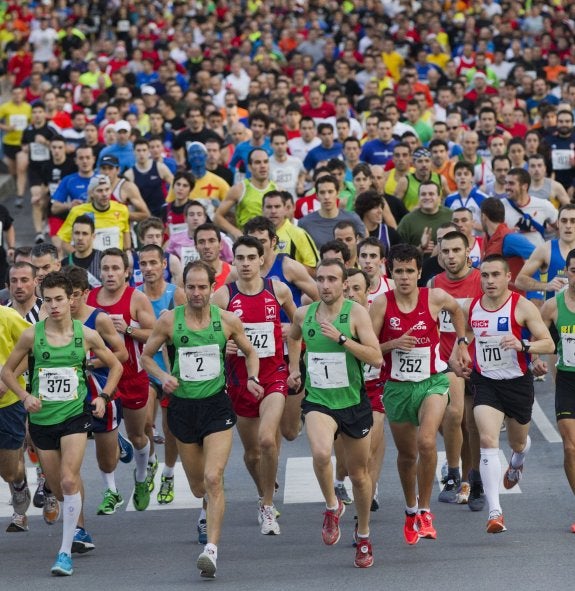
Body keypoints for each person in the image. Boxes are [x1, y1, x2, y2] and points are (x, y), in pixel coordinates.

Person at [141, 260, 262, 578]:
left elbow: (251, 352)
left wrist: (251, 377)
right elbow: (145, 356)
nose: (196, 293)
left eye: (202, 287)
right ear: (184, 287)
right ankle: (206, 506)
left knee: (213, 478)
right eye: (190, 287)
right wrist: (163, 375)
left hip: (216, 407)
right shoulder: (169, 321)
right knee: (198, 487)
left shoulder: (227, 321)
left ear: (212, 287)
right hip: (182, 408)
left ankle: (211, 549)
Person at [1, 271, 122, 577]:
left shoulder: (86, 335)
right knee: (57, 485)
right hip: (42, 421)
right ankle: (75, 527)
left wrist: (104, 397)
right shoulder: (33, 335)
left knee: (69, 480)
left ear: (71, 300)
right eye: (49, 299)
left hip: (75, 417)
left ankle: (65, 551)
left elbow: (116, 364)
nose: (54, 305)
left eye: (59, 299)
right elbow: (6, 371)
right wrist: (24, 396)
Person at [369, 244, 470, 545]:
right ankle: (410, 509)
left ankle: (425, 510)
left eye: (409, 271)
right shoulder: (381, 305)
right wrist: (392, 344)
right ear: (391, 273)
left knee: (427, 442)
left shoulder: (434, 297)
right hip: (397, 387)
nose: (404, 277)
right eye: (398, 271)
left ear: (419, 272)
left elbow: (457, 310)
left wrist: (462, 343)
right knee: (407, 454)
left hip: (433, 381)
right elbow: (369, 349)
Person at [287, 258, 383, 569]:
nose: (325, 285)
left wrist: (342, 339)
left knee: (359, 475)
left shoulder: (355, 314)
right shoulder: (305, 313)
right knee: (319, 452)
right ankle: (332, 505)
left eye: (332, 279)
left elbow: (377, 358)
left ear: (343, 284)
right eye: (321, 279)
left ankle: (364, 535)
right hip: (319, 400)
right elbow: (293, 334)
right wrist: (293, 368)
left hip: (353, 403)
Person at [453, 255, 554, 534]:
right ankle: (495, 511)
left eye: (496, 275)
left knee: (518, 442)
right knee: (486, 437)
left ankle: (518, 461)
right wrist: (460, 346)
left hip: (518, 383)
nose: (490, 281)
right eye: (485, 276)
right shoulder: (473, 306)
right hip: (486, 383)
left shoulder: (520, 307)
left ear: (508, 277)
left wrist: (523, 345)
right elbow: (459, 318)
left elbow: (548, 342)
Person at [213, 236, 295, 535]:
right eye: (240, 258)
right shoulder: (223, 296)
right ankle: (263, 489)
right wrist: (224, 348)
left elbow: (297, 326)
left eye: (251, 257)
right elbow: (208, 338)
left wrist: (294, 363)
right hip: (239, 381)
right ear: (233, 261)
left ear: (262, 259)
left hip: (274, 376)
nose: (245, 263)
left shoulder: (278, 289)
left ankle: (268, 505)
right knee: (252, 454)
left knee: (267, 440)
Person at [86, 248, 155, 511]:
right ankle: (111, 491)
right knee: (104, 436)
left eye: (116, 268)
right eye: (105, 268)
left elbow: (154, 334)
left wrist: (127, 328)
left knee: (138, 436)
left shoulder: (136, 298)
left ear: (126, 272)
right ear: (99, 271)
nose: (110, 273)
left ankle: (140, 478)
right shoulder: (90, 298)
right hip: (102, 378)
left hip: (132, 377)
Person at [60, 265, 132, 519]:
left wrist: (90, 362)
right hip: (70, 396)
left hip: (99, 390)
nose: (70, 301)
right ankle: (108, 493)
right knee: (69, 458)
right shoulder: (55, 318)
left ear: (86, 293)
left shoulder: (98, 318)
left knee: (106, 460)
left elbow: (122, 353)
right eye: (66, 295)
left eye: (75, 294)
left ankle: (116, 450)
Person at [429, 231, 483, 507]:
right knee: (452, 417)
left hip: (477, 359)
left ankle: (470, 477)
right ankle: (454, 474)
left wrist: (463, 345)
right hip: (445, 362)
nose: (450, 256)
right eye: (445, 251)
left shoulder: (481, 280)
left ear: (467, 251)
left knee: (470, 424)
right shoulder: (433, 283)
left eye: (456, 250)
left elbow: (486, 320)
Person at [137, 245, 186, 506]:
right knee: (145, 423)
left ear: (164, 264)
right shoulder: (135, 296)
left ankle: (168, 473)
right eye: (143, 264)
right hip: (145, 369)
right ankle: (152, 460)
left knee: (170, 429)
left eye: (153, 263)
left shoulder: (175, 294)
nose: (148, 268)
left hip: (170, 371)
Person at [537, 249, 575, 533]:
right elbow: (536, 334)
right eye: (573, 270)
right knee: (571, 446)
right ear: (567, 273)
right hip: (568, 381)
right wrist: (536, 358)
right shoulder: (553, 306)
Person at [344, 267, 387, 512]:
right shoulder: (333, 316)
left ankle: (369, 490)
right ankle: (355, 482)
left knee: (371, 442)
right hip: (342, 390)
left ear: (368, 290)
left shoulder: (376, 313)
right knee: (349, 459)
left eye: (356, 288)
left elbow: (382, 353)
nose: (350, 294)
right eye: (346, 288)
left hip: (375, 386)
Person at [0, 306, 32, 533]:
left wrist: (8, 378)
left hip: (7, 403)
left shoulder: (7, 316)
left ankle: (19, 484)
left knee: (9, 472)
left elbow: (33, 349)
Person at [214, 148, 279, 239]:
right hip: (248, 243)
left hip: (271, 241)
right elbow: (217, 217)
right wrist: (236, 232)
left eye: (265, 162)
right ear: (249, 167)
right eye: (257, 162)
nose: (263, 166)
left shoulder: (278, 190)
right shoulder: (239, 189)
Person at [57, 175, 131, 253]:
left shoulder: (122, 209)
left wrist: (127, 254)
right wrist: (80, 258)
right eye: (100, 190)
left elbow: (126, 236)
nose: (104, 194)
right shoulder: (78, 212)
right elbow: (65, 242)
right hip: (89, 263)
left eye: (107, 189)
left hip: (114, 261)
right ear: (91, 193)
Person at [515, 205, 575, 299]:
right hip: (554, 312)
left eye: (573, 221)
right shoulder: (545, 249)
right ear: (558, 223)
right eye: (564, 221)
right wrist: (546, 286)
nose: (568, 226)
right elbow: (519, 281)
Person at [298, 175, 365, 249]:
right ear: (317, 195)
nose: (326, 197)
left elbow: (364, 245)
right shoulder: (305, 223)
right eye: (322, 192)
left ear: (338, 193)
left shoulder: (353, 218)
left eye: (330, 192)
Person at [262, 190, 319, 274]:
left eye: (277, 206)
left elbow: (314, 269)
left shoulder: (298, 234)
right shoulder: (255, 235)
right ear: (262, 209)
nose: (273, 211)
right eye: (269, 207)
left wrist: (285, 269)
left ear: (285, 209)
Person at [60, 215, 103, 288]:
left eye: (85, 234)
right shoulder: (64, 264)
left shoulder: (103, 259)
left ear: (93, 236)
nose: (80, 238)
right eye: (77, 233)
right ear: (72, 235)